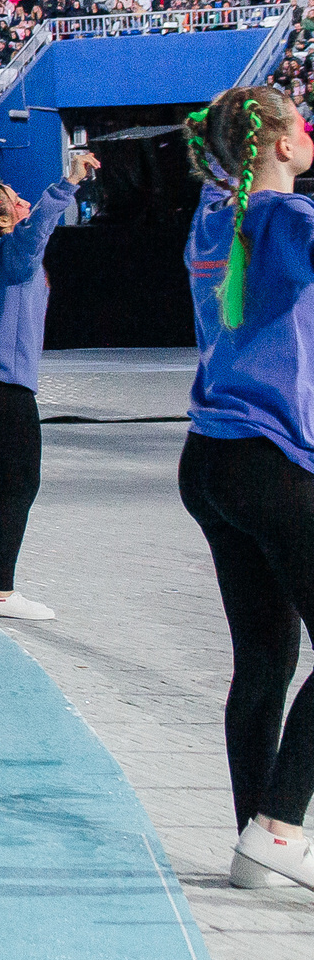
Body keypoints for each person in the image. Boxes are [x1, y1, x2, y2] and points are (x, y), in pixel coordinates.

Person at [180, 86, 314, 891]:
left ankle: (253, 845)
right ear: (285, 144)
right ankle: (278, 827)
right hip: (266, 460)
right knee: (271, 656)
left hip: (209, 461)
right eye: (302, 118)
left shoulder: (213, 218)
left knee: (265, 657)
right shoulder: (286, 222)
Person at [0, 149, 99, 620]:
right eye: (17, 200)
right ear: (2, 217)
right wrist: (67, 183)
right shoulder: (12, 252)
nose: (26, 204)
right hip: (1, 384)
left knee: (0, 487)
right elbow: (34, 239)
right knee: (19, 486)